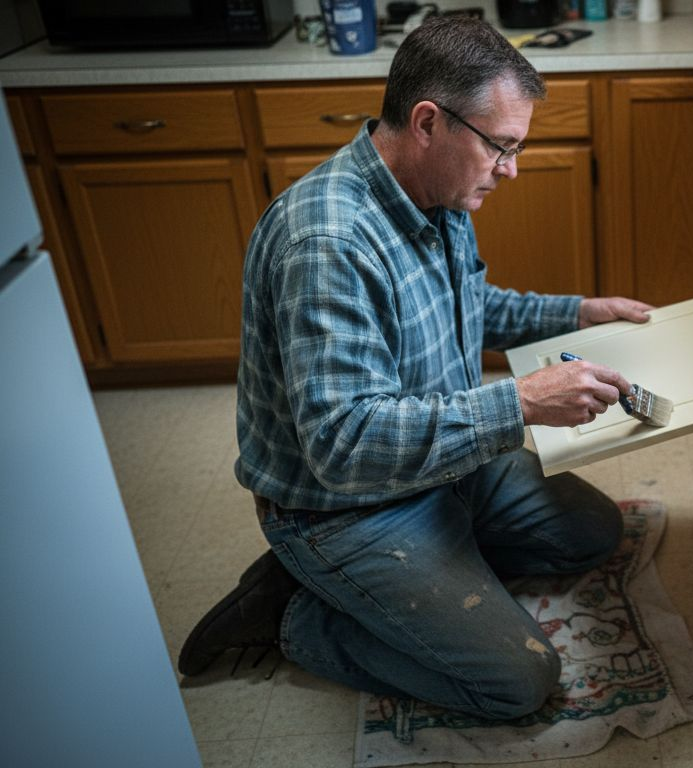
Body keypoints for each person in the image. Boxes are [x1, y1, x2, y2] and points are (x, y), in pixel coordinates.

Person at [177, 16, 654, 721]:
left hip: (441, 463)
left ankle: (397, 581)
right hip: (343, 507)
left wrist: (578, 313)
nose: (511, 169)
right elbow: (343, 445)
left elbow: (468, 304)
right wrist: (519, 403)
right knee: (518, 682)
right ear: (429, 122)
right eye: (501, 147)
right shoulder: (328, 241)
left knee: (592, 531)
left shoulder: (438, 190)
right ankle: (293, 617)